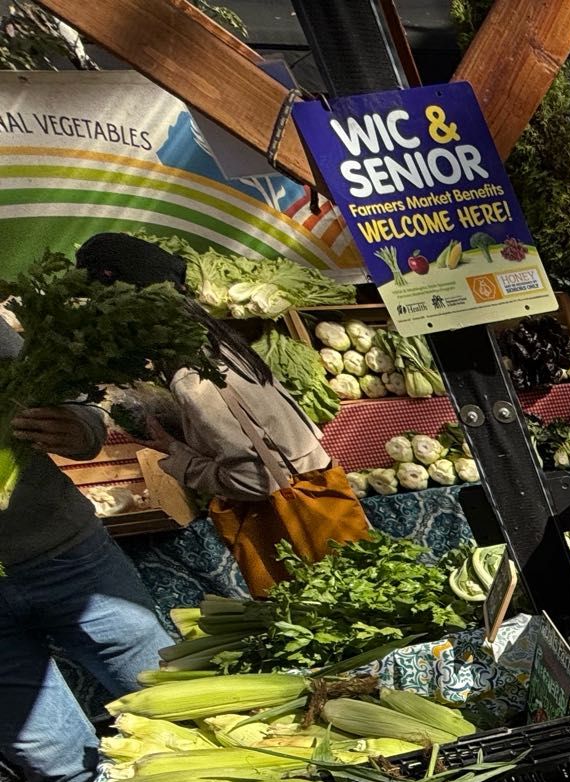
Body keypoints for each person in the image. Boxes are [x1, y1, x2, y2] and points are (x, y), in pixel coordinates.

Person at [72, 233, 367, 597]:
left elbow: (253, 480)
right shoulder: (219, 345)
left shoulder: (195, 377)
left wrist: (176, 456)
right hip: (314, 497)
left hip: (291, 521)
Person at [0, 317, 173, 782]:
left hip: (68, 556)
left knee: (174, 706)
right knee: (57, 767)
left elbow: (77, 410)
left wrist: (76, 428)